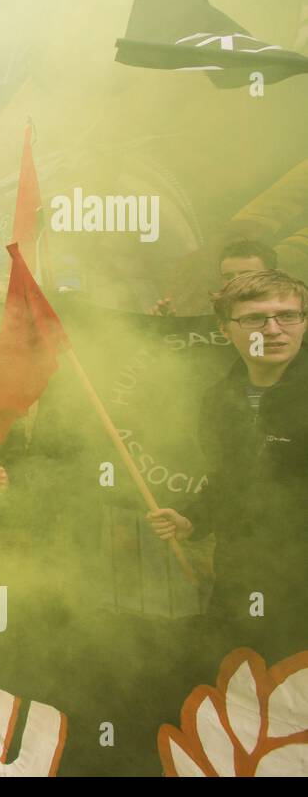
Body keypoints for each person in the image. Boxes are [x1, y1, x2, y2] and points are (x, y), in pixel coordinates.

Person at [148, 269, 308, 635]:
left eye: (287, 315)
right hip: (242, 579)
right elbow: (228, 480)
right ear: (224, 329)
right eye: (254, 318)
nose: (273, 329)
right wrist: (193, 520)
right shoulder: (218, 400)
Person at [152, 238, 277, 315]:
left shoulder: (291, 317)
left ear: (272, 277)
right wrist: (164, 328)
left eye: (247, 275)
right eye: (228, 277)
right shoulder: (209, 316)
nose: (235, 282)